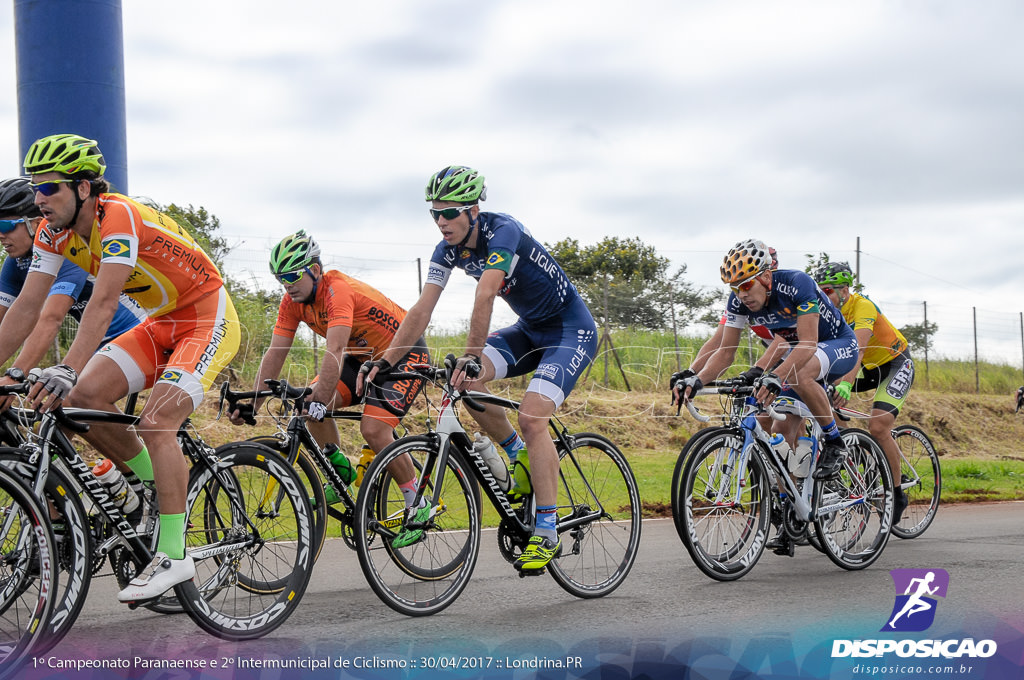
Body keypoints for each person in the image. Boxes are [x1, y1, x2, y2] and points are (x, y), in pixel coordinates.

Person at [0, 133, 240, 602]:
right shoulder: (52, 233)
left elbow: (104, 302)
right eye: (35, 189)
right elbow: (27, 308)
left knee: (156, 423)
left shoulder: (119, 215)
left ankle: (174, 554)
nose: (39, 199)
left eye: (49, 188)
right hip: (161, 323)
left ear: (84, 188)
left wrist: (66, 366)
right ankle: (153, 488)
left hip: (205, 316)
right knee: (82, 398)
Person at [358, 165, 598, 573]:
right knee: (463, 383)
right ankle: (517, 455)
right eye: (434, 213)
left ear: (472, 210)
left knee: (532, 417)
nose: (441, 221)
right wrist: (386, 360)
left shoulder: (502, 230)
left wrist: (471, 352)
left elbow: (485, 295)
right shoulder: (446, 250)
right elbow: (422, 309)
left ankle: (547, 529)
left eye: (449, 212)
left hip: (569, 331)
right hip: (529, 330)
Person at [672, 239, 858, 555]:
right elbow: (725, 351)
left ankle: (835, 442)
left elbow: (808, 343)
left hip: (835, 345)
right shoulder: (740, 303)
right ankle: (792, 513)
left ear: (766, 277)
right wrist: (696, 379)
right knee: (779, 432)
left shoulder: (796, 283)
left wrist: (775, 374)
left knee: (798, 375)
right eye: (734, 288)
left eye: (746, 284)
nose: (742, 293)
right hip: (796, 353)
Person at [229, 230, 428, 523]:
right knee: (305, 402)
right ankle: (340, 472)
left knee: (373, 430)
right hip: (362, 359)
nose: (287, 285)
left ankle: (418, 503)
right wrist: (253, 404)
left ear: (316, 269)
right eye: (281, 279)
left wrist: (321, 401)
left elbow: (334, 349)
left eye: (293, 276)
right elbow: (275, 352)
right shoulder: (291, 301)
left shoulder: (338, 290)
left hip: (404, 355)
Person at [0, 178, 146, 408]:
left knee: (67, 400)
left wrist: (15, 375)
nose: (0, 235)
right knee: (52, 420)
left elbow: (51, 319)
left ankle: (141, 446)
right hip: (93, 343)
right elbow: (12, 316)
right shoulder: (16, 263)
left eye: (5, 226)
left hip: (132, 335)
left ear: (37, 223)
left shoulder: (70, 251)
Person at [814, 261, 914, 522]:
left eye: (829, 291)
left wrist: (845, 383)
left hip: (893, 363)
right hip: (864, 368)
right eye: (820, 291)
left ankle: (896, 492)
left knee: (879, 426)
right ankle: (859, 452)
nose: (824, 296)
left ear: (844, 290)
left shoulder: (862, 306)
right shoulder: (827, 313)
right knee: (822, 404)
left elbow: (857, 348)